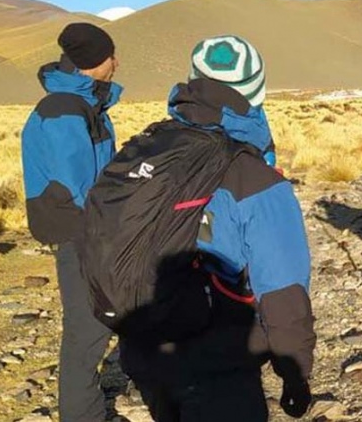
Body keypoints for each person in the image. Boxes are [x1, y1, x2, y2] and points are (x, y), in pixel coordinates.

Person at [117, 36, 315, 421]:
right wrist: (294, 373)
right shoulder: (254, 178)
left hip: (146, 350)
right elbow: (283, 293)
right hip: (219, 362)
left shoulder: (147, 148)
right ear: (256, 92)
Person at [21, 23, 122, 421]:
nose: (117, 62)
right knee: (86, 329)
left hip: (88, 228)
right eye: (112, 54)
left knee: (96, 321)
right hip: (80, 232)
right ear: (97, 62)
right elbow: (79, 183)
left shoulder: (80, 103)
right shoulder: (64, 109)